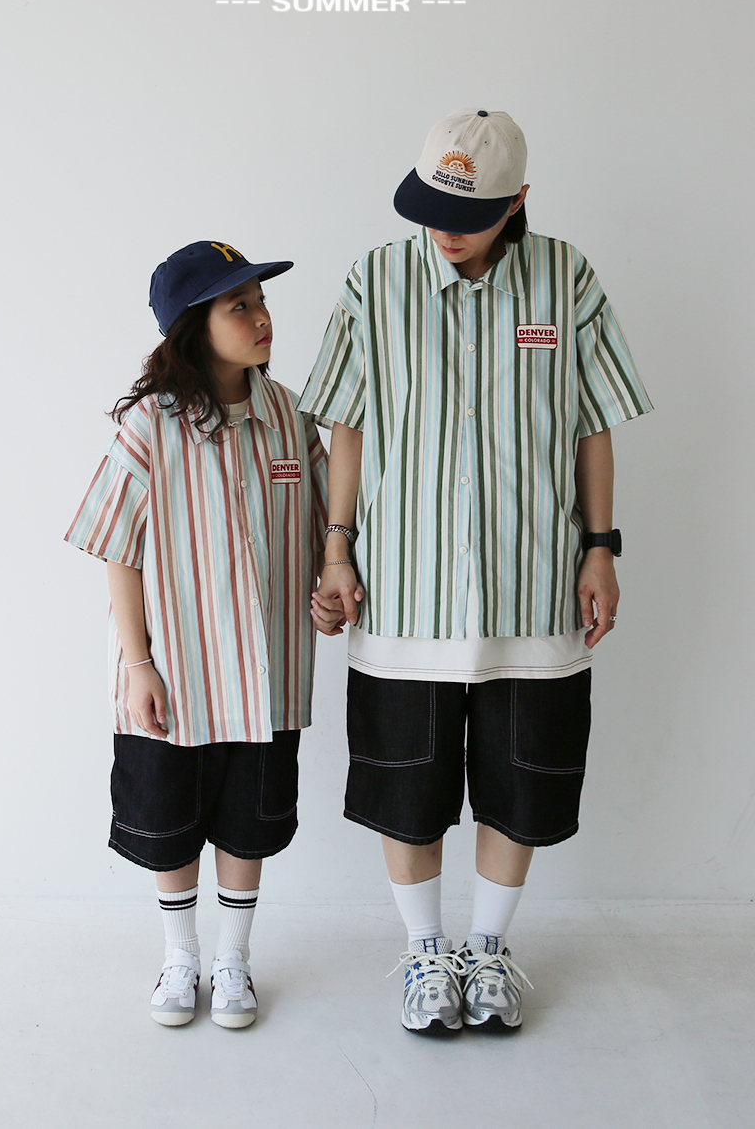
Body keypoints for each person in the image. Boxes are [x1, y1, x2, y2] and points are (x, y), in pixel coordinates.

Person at [302, 110, 653, 1034]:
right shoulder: (375, 280)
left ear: (520, 200)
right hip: (405, 587)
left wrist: (601, 546)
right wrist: (336, 548)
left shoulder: (566, 279)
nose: (444, 230)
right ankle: (425, 952)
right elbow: (346, 425)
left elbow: (593, 425)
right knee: (406, 788)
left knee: (521, 783)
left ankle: (489, 949)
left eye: (469, 214)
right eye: (430, 207)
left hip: (530, 583)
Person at [66, 240, 331, 1029]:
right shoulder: (152, 424)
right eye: (238, 306)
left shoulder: (290, 416)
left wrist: (330, 585)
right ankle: (180, 956)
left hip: (267, 669)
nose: (261, 318)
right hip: (175, 670)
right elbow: (116, 548)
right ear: (192, 325)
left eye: (261, 301)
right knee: (168, 821)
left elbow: (326, 526)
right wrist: (138, 663)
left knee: (249, 820)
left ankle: (233, 960)